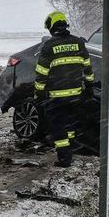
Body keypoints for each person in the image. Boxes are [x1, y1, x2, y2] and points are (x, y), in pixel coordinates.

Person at [35, 10, 94, 168]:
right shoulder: (79, 43)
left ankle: (64, 159)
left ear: (51, 27)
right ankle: (71, 150)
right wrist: (89, 88)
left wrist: (39, 94)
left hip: (56, 98)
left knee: (58, 128)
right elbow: (88, 69)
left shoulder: (49, 46)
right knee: (70, 125)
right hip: (75, 95)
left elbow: (41, 73)